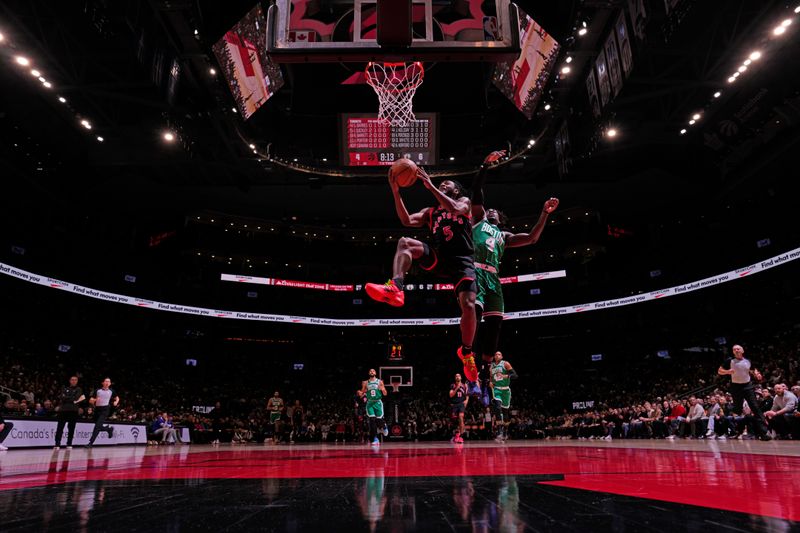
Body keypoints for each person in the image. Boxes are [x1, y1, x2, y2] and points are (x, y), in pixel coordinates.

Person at [365, 168, 479, 382]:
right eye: (441, 183)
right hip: (439, 256)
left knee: (469, 305)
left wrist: (432, 186)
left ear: (457, 189)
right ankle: (396, 287)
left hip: (462, 261)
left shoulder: (464, 201)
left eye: (448, 183)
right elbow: (407, 220)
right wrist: (395, 191)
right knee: (404, 242)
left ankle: (466, 352)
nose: (444, 184)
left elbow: (454, 207)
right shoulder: (431, 212)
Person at [469, 149, 559, 401]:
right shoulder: (477, 220)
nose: (492, 211)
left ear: (502, 219)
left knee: (494, 327)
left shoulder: (504, 237)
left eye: (496, 211)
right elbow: (476, 194)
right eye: (490, 210)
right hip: (476, 273)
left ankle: (485, 377)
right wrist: (484, 167)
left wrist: (544, 213)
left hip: (494, 279)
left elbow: (531, 238)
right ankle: (471, 370)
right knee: (475, 320)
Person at [717, 345, 771, 441]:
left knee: (755, 407)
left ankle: (764, 433)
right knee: (737, 409)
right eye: (734, 349)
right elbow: (719, 371)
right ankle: (738, 429)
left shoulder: (748, 360)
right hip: (735, 386)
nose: (736, 350)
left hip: (748, 386)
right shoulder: (730, 360)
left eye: (738, 349)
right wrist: (727, 371)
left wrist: (757, 374)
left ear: (742, 350)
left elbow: (754, 370)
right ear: (733, 352)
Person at [489, 351, 517, 441]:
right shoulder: (492, 366)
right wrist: (490, 382)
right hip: (497, 389)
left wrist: (505, 376)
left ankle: (505, 431)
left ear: (502, 356)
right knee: (497, 407)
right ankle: (499, 431)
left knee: (505, 413)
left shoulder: (505, 363)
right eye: (496, 354)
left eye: (499, 354)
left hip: (506, 390)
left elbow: (515, 375)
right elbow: (491, 377)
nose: (497, 355)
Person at [87, 378, 120, 447]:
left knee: (97, 427)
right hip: (97, 409)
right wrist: (95, 399)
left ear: (110, 383)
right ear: (103, 383)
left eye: (109, 381)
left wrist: (116, 402)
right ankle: (108, 429)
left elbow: (117, 398)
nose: (107, 382)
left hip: (105, 409)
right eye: (106, 381)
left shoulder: (112, 391)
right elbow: (90, 400)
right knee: (98, 426)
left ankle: (90, 443)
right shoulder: (97, 390)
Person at [54, 375, 85, 450]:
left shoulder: (79, 389)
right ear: (69, 381)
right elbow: (62, 397)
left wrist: (67, 397)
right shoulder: (65, 388)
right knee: (60, 427)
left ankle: (69, 443)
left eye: (75, 380)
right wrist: (71, 398)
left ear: (77, 381)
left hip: (73, 411)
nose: (73, 381)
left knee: (71, 428)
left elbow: (76, 398)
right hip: (63, 410)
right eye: (72, 379)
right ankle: (57, 444)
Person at [361, 369, 388, 445]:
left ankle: (384, 426)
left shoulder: (379, 382)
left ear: (375, 373)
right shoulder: (365, 382)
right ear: (368, 373)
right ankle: (375, 439)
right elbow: (362, 392)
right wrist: (360, 393)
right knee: (372, 420)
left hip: (378, 402)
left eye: (373, 371)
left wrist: (383, 390)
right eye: (370, 371)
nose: (372, 372)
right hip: (370, 403)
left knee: (378, 419)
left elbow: (385, 394)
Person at [449, 373, 469, 443]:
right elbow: (451, 395)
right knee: (454, 421)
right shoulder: (453, 385)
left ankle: (461, 436)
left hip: (461, 404)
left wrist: (466, 401)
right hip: (454, 404)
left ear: (461, 378)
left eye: (459, 376)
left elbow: (467, 395)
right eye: (456, 376)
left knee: (461, 417)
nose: (457, 377)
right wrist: (457, 388)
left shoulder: (464, 385)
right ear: (455, 378)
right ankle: (456, 435)